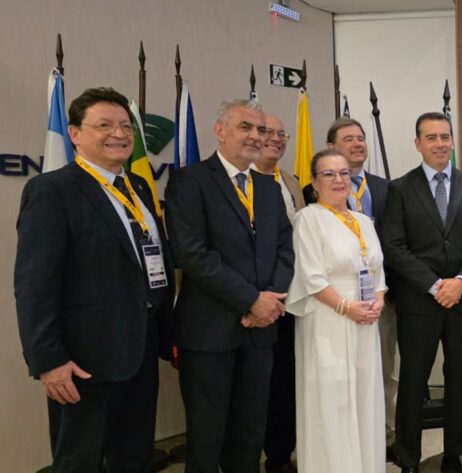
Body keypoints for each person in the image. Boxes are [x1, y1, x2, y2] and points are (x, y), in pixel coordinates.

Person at [15, 87, 175, 473]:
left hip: (140, 350)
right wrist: (49, 360)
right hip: (84, 360)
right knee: (80, 461)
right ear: (74, 134)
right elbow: (35, 285)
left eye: (125, 126)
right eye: (104, 125)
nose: (119, 134)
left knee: (134, 457)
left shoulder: (137, 187)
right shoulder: (52, 190)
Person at [165, 99, 294, 473]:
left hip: (261, 332)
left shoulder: (268, 186)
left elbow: (285, 249)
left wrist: (270, 301)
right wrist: (252, 300)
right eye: (245, 127)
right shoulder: (190, 181)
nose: (256, 136)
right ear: (219, 131)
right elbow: (192, 254)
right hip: (209, 332)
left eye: (261, 129)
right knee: (207, 435)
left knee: (250, 432)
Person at [382, 112, 462, 473]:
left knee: (460, 379)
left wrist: (460, 282)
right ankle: (409, 457)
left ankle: (455, 453)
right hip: (419, 302)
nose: (440, 143)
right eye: (431, 137)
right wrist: (434, 285)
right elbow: (394, 246)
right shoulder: (400, 189)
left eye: (445, 136)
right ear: (418, 144)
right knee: (413, 381)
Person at [286, 149, 388, 473]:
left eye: (344, 173)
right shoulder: (308, 219)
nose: (338, 180)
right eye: (328, 174)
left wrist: (378, 300)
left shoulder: (364, 221)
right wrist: (347, 307)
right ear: (314, 182)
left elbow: (378, 270)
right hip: (328, 319)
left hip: (365, 319)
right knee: (332, 399)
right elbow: (311, 277)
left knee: (364, 396)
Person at [325, 117, 397, 452]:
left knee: (383, 368)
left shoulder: (385, 188)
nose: (357, 144)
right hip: (336, 300)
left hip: (381, 297)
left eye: (361, 138)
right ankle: (346, 438)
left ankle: (384, 434)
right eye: (348, 139)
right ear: (331, 147)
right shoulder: (316, 190)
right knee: (341, 372)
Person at [255, 112, 305, 473]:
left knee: (285, 380)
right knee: (255, 385)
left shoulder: (291, 181)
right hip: (252, 300)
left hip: (290, 298)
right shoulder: (237, 181)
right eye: (266, 132)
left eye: (281, 134)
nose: (276, 139)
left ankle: (279, 455)